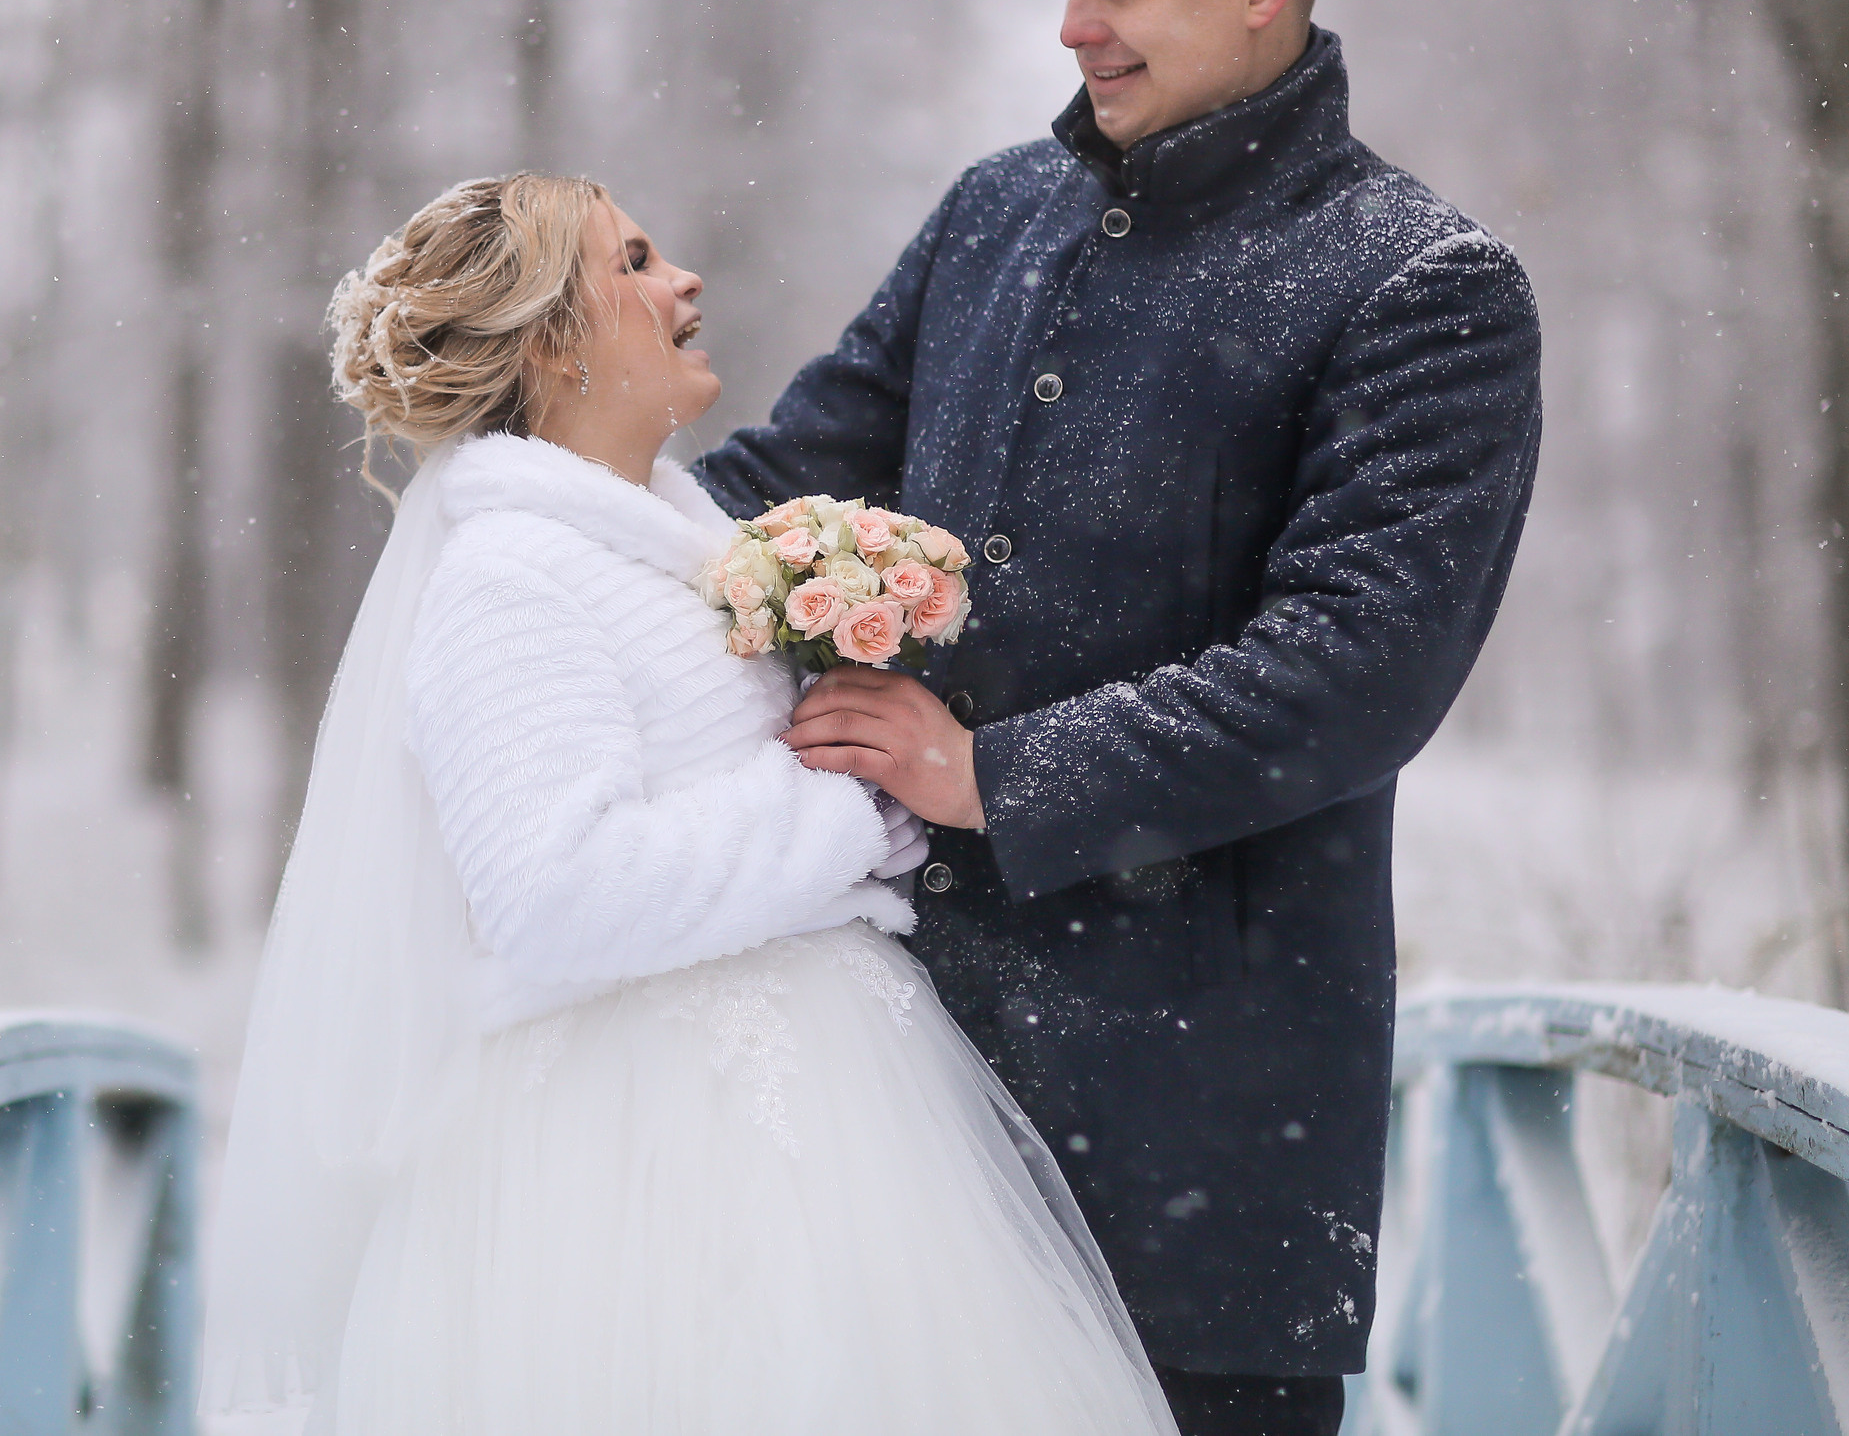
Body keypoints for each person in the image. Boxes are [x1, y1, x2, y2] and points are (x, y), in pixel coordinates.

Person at [694, 0, 1543, 1436]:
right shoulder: (991, 214)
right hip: (899, 1093)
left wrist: (989, 774)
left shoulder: (1423, 285)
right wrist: (539, 519)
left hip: (1206, 1141)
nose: (1075, 23)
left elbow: (1354, 669)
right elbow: (786, 480)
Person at [202, 171, 1179, 1435]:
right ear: (555, 342)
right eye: (637, 261)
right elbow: (553, 895)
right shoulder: (513, 579)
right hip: (643, 1174)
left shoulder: (660, 548)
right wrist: (844, 815)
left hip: (808, 1132)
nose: (684, 281)